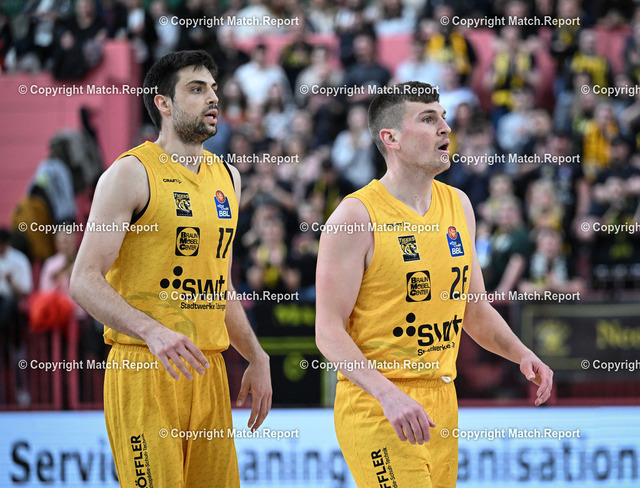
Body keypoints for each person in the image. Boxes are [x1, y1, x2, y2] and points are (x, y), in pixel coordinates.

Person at [315, 81, 553, 487]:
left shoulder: (459, 204)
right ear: (391, 138)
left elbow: (474, 309)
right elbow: (327, 331)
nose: (445, 127)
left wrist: (521, 353)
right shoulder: (355, 216)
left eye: (443, 117)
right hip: (378, 402)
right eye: (428, 119)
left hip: (442, 399)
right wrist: (387, 395)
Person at [70, 50, 272, 487]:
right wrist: (152, 330)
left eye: (213, 88)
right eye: (196, 89)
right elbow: (83, 280)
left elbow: (220, 285)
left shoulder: (229, 178)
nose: (212, 98)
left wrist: (255, 355)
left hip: (207, 371)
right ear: (163, 103)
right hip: (144, 368)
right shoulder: (129, 173)